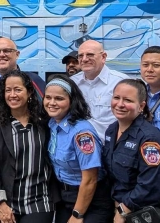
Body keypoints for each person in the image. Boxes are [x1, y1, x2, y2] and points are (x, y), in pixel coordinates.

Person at [103, 79, 160, 223]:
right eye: (116, 98)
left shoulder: (150, 139)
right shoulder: (111, 131)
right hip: (121, 210)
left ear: (141, 106)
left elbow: (151, 184)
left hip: (149, 213)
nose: (120, 104)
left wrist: (124, 209)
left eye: (128, 100)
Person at [0, 70, 57, 223]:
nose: (12, 94)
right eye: (8, 90)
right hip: (5, 200)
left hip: (39, 200)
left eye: (18, 89)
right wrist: (0, 203)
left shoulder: (44, 122)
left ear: (29, 92)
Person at [44, 75, 113, 223]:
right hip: (65, 196)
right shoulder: (52, 124)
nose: (52, 103)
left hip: (91, 199)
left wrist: (78, 215)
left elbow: (90, 179)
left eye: (59, 98)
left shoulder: (82, 133)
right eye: (48, 97)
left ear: (71, 101)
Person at [70, 40, 129, 139]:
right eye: (80, 56)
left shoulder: (121, 83)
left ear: (104, 57)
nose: (84, 59)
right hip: (80, 148)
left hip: (110, 149)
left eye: (90, 55)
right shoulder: (72, 83)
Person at [0, 38, 47, 114]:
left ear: (17, 54)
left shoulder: (34, 81)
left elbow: (48, 112)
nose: (2, 55)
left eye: (7, 51)